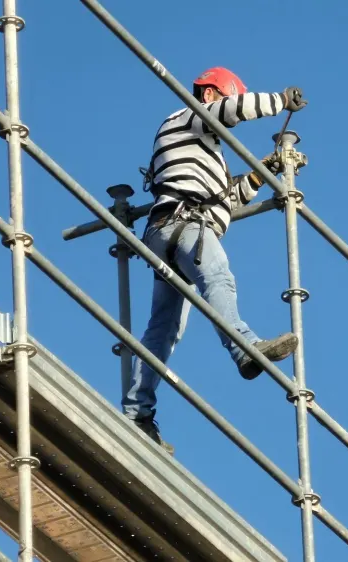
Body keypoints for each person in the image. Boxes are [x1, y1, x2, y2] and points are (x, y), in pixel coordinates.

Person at [124, 66, 308, 451]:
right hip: (186, 223)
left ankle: (137, 413)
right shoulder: (188, 116)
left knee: (164, 328)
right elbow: (233, 110)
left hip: (169, 230)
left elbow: (226, 199)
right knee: (218, 278)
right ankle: (244, 347)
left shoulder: (204, 150)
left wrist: (260, 174)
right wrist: (279, 101)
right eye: (225, 98)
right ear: (210, 95)